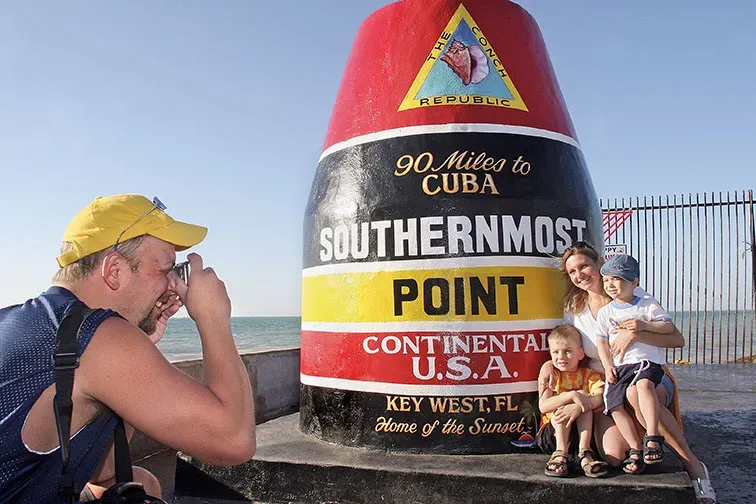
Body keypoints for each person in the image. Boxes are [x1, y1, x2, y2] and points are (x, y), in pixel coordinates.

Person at [0, 194, 256, 502]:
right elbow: (234, 440)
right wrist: (214, 319)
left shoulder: (31, 320)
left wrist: (141, 344)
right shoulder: (97, 336)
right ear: (115, 271)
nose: (172, 286)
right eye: (166, 270)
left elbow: (103, 470)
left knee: (137, 482)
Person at [538, 242, 716, 502]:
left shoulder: (630, 295)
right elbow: (566, 346)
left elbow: (677, 340)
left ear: (599, 262)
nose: (580, 275)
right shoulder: (574, 310)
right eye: (573, 271)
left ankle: (694, 467)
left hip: (647, 373)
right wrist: (548, 364)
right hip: (608, 383)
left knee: (637, 394)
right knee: (613, 454)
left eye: (584, 266)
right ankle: (641, 439)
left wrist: (634, 332)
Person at [596, 254, 673, 474]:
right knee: (613, 404)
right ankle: (634, 448)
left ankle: (652, 437)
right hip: (620, 366)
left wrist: (642, 326)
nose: (611, 284)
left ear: (634, 282)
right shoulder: (606, 312)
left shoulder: (646, 303)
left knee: (642, 387)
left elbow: (668, 328)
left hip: (645, 362)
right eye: (607, 280)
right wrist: (607, 366)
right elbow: (602, 342)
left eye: (617, 279)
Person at [537, 324, 608, 478]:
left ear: (581, 353)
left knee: (585, 400)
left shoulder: (589, 375)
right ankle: (560, 452)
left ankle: (585, 453)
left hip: (580, 433)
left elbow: (599, 397)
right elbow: (543, 406)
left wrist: (579, 403)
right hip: (552, 434)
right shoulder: (551, 376)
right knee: (571, 401)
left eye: (567, 351)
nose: (561, 357)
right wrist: (570, 396)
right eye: (555, 352)